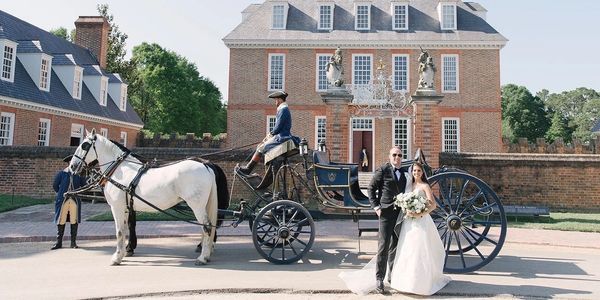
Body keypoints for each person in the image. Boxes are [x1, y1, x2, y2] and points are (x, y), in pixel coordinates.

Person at [388, 162, 451, 295]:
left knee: (419, 249)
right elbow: (404, 200)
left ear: (422, 173)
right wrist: (407, 208)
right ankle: (405, 282)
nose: (416, 173)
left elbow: (433, 205)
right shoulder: (409, 186)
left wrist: (419, 213)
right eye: (414, 171)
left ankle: (420, 283)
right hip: (409, 222)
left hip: (421, 221)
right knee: (407, 249)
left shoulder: (425, 186)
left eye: (419, 171)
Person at [368, 146, 412, 294]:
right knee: (383, 246)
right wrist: (376, 208)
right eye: (394, 155)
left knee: (395, 245)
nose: (397, 158)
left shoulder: (405, 173)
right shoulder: (383, 170)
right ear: (389, 156)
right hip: (386, 213)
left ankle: (392, 275)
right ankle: (379, 279)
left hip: (400, 214)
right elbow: (371, 189)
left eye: (399, 155)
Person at [237, 90, 300, 176]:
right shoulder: (284, 109)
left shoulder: (283, 110)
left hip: (282, 138)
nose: (276, 102)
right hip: (281, 136)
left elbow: (278, 127)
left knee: (261, 147)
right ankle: (249, 168)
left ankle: (248, 169)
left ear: (280, 100)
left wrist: (270, 135)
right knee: (261, 146)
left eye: (276, 100)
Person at [51, 155, 87, 250]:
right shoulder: (62, 174)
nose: (73, 164)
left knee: (74, 220)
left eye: (74, 162)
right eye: (71, 162)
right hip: (63, 200)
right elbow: (55, 185)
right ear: (68, 163)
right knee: (61, 219)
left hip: (74, 200)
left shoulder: (79, 174)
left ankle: (73, 242)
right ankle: (59, 242)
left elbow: (84, 186)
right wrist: (61, 193)